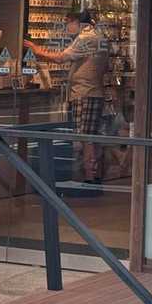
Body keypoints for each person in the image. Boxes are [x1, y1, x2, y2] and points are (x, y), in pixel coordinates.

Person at [25, 11, 110, 185]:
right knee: (90, 135)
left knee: (86, 136)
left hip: (85, 92)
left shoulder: (86, 38)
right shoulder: (97, 36)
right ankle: (93, 174)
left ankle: (90, 177)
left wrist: (37, 50)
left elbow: (61, 58)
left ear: (77, 22)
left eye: (68, 23)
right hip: (91, 91)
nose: (66, 28)